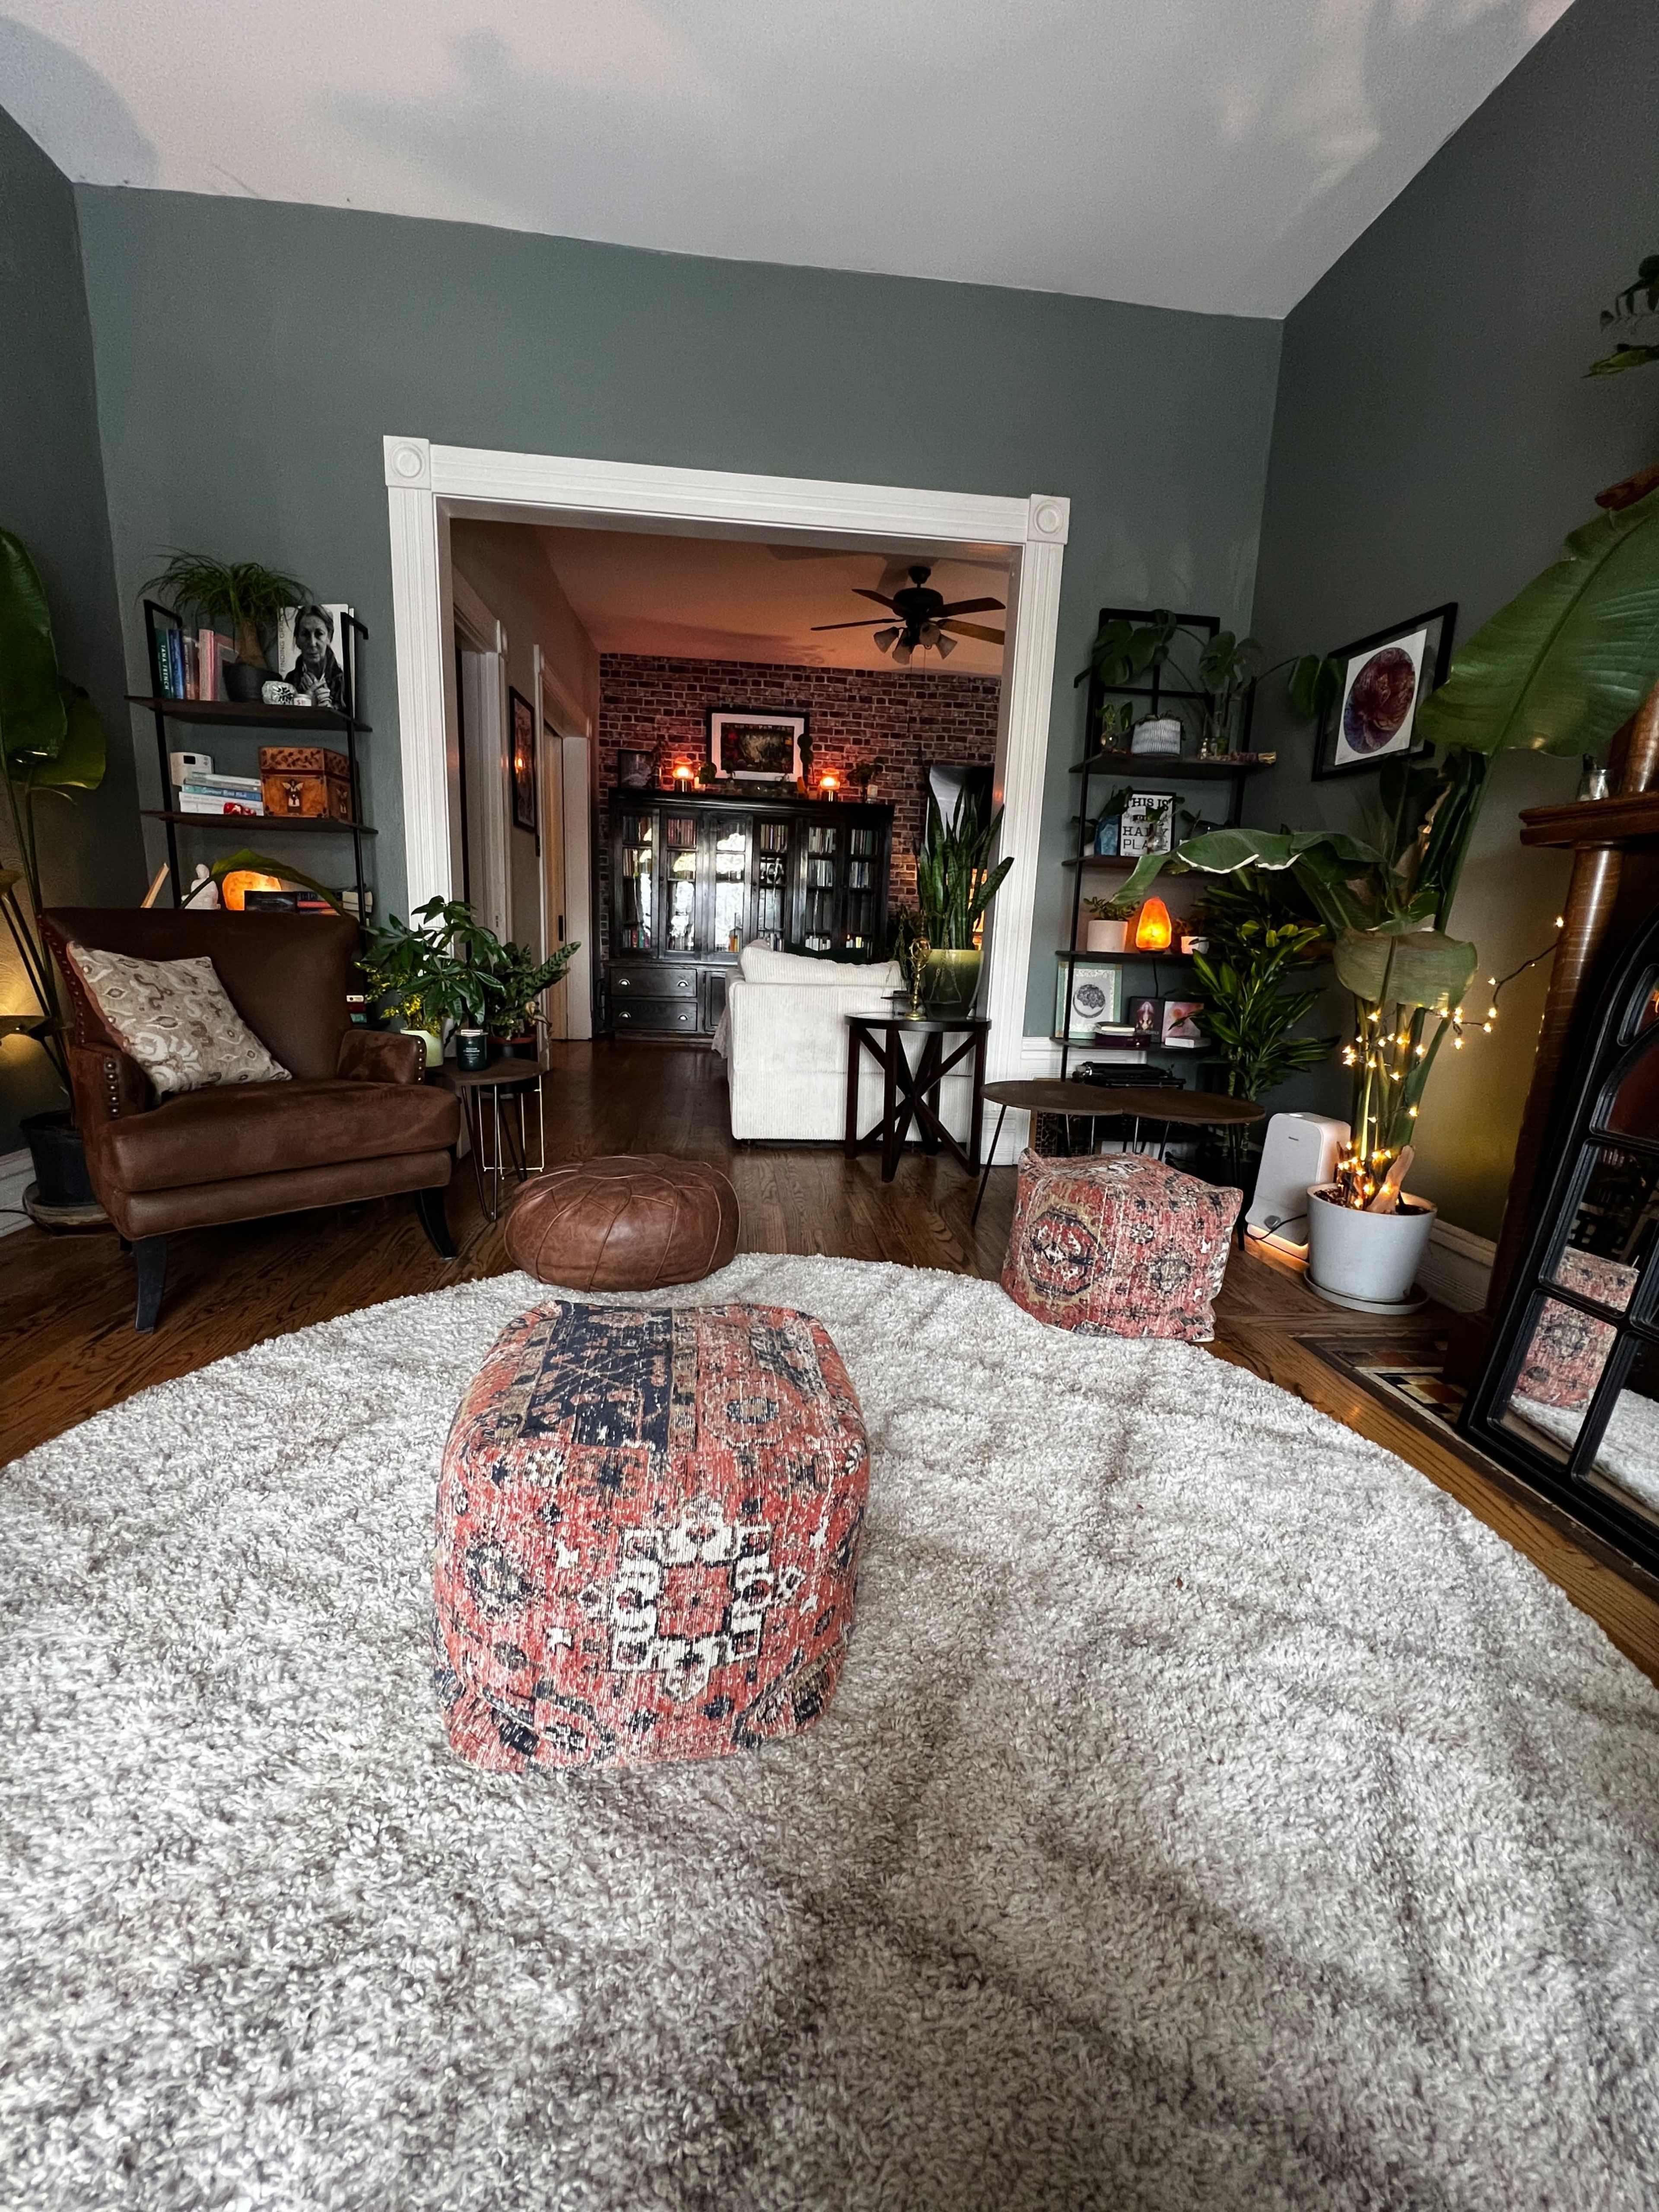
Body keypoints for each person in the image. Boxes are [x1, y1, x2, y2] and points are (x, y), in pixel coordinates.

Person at [283, 605, 347, 709]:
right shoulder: (290, 682)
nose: (312, 643)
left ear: (329, 637)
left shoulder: (344, 680)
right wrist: (306, 701)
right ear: (297, 640)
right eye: (305, 634)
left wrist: (331, 711)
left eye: (319, 634)